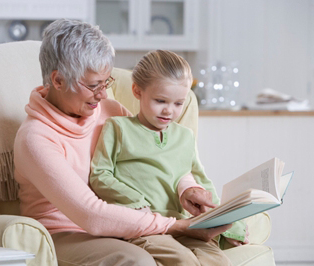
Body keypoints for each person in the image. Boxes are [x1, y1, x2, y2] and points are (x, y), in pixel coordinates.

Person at [14, 19, 232, 266]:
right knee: (137, 261)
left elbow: (156, 161)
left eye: (106, 83)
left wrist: (187, 189)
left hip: (123, 223)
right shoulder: (36, 138)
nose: (103, 94)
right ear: (58, 80)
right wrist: (177, 226)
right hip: (65, 233)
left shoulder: (110, 110)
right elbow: (91, 215)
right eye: (94, 85)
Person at [90, 50, 249, 265]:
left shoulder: (184, 136)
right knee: (183, 260)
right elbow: (100, 174)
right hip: (143, 225)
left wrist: (229, 222)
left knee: (220, 262)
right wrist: (135, 201)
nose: (169, 111)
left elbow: (201, 183)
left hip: (186, 224)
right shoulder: (117, 127)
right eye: (160, 100)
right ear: (137, 91)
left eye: (178, 103)